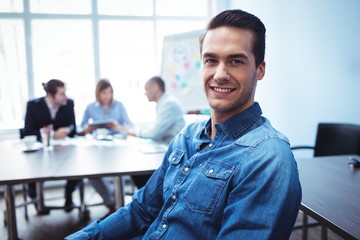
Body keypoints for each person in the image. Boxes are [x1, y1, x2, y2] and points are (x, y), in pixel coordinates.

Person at [66, 9, 301, 239]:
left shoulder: (268, 156)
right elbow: (140, 211)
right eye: (211, 60)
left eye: (236, 61)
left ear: (260, 70)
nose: (220, 74)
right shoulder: (187, 136)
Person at [22, 79, 80, 213]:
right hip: (39, 151)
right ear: (50, 94)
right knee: (31, 168)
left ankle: (68, 196)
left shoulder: (68, 103)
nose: (65, 96)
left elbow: (73, 128)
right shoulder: (33, 105)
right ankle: (36, 200)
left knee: (77, 166)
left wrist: (67, 130)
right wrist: (52, 134)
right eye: (62, 94)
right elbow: (28, 131)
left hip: (64, 149)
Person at [79, 79, 133, 216]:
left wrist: (118, 128)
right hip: (98, 148)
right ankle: (110, 202)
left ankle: (116, 200)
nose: (107, 96)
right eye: (104, 93)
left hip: (117, 147)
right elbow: (80, 129)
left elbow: (130, 127)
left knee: (116, 171)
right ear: (98, 93)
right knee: (93, 174)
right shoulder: (90, 107)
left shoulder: (119, 106)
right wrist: (87, 129)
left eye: (110, 92)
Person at [131, 76, 185, 188]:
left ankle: (150, 200)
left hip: (172, 151)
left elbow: (155, 132)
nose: (145, 93)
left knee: (137, 170)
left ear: (155, 88)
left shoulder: (168, 104)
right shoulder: (163, 103)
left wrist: (136, 132)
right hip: (165, 148)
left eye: (146, 89)